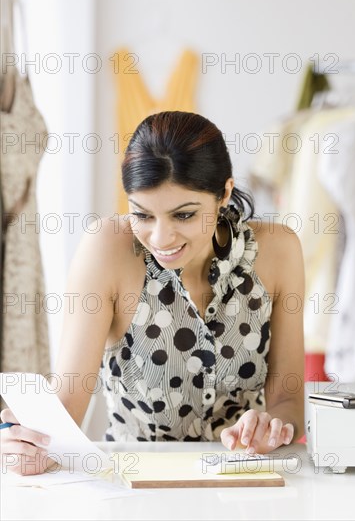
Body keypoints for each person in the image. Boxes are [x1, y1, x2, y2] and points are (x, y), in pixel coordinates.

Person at [1, 111, 305, 475]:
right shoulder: (106, 249)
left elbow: (288, 401)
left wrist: (270, 428)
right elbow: (67, 403)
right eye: (142, 215)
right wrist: (31, 444)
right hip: (133, 486)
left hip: (243, 480)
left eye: (184, 215)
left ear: (224, 193)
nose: (161, 239)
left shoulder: (279, 250)